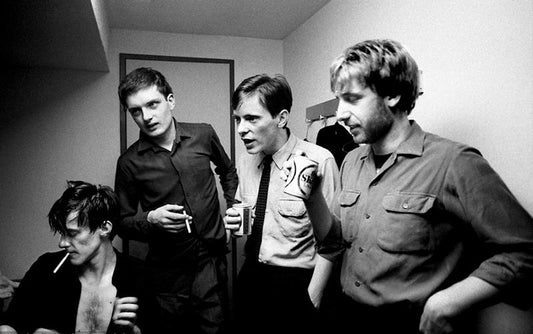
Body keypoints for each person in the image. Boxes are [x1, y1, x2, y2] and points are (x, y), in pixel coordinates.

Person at [292, 39, 533, 334]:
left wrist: (446, 303)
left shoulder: (454, 162)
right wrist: (313, 196)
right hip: (346, 316)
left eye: (352, 99)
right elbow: (335, 244)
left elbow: (524, 252)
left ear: (392, 94)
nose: (340, 113)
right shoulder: (351, 161)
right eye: (339, 99)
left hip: (409, 326)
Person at [115, 67, 238, 333]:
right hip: (167, 274)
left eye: (152, 104)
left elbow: (227, 171)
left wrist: (233, 210)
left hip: (211, 262)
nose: (146, 116)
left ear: (170, 101)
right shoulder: (129, 162)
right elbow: (121, 223)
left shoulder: (203, 134)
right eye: (136, 111)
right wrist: (150, 219)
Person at [224, 74, 340, 333]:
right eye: (238, 120)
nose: (241, 128)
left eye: (252, 118)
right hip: (251, 276)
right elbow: (247, 219)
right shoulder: (246, 161)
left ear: (282, 117)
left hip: (296, 283)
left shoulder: (318, 161)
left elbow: (335, 240)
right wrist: (235, 222)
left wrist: (313, 297)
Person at [0, 181, 144, 334]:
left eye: (72, 233)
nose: (62, 243)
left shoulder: (137, 276)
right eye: (62, 233)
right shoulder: (46, 268)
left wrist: (132, 331)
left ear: (104, 228)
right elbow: (9, 326)